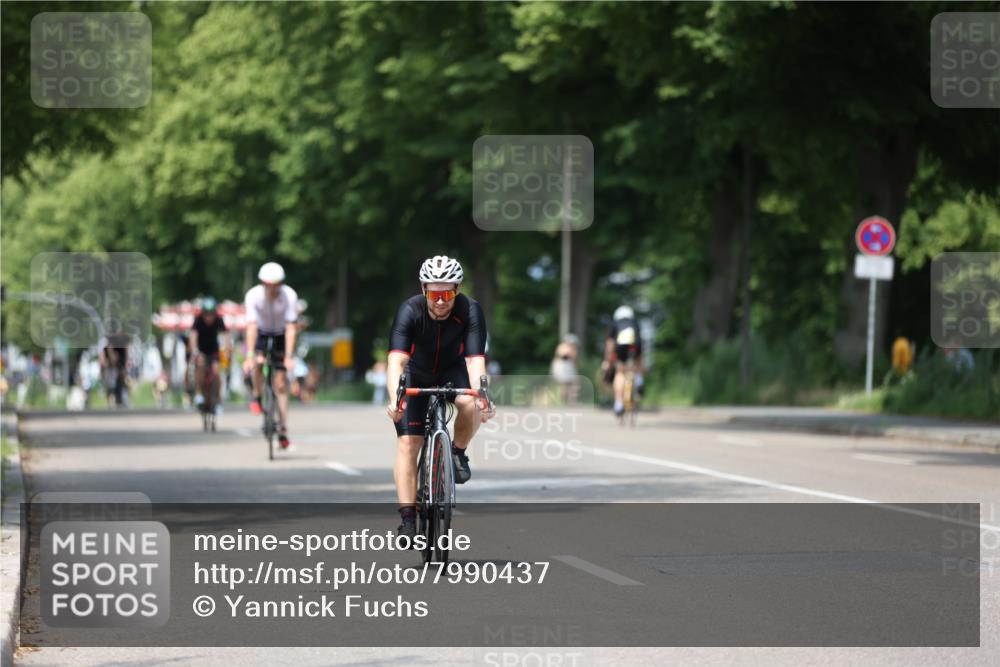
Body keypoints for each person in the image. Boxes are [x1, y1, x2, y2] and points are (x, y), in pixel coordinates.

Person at [385, 255, 496, 542]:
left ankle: (457, 453)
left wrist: (482, 395)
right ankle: (408, 520)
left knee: (470, 403)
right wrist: (394, 400)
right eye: (434, 293)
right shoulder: (409, 310)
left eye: (448, 293)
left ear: (457, 290)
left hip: (452, 369)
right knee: (409, 443)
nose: (441, 300)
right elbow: (396, 361)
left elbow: (474, 361)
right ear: (424, 290)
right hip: (415, 373)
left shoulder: (470, 310)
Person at [243, 262, 299, 449]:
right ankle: (257, 396)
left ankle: (283, 429)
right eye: (270, 285)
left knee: (281, 383)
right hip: (260, 332)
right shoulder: (253, 296)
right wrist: (250, 355)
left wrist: (289, 356)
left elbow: (291, 327)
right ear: (263, 283)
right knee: (258, 364)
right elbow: (251, 327)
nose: (274, 289)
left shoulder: (289, 295)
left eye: (277, 285)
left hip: (281, 334)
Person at [189, 296, 232, 413]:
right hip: (201, 349)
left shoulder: (219, 320)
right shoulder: (198, 320)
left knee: (217, 373)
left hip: (214, 350)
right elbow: (193, 336)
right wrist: (194, 352)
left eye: (211, 314)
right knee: (200, 364)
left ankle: (217, 401)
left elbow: (226, 335)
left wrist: (228, 350)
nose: (209, 317)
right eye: (206, 314)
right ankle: (199, 394)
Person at [601, 306, 643, 418]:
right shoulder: (635, 322)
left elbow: (610, 344)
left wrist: (608, 360)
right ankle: (639, 380)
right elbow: (640, 340)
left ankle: (619, 403)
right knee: (637, 363)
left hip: (621, 346)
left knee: (620, 372)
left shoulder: (615, 323)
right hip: (635, 345)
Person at [550, 333, 580, 404]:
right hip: (564, 367)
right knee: (568, 384)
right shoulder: (567, 348)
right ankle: (568, 400)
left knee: (567, 384)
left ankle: (567, 400)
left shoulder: (562, 347)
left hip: (563, 366)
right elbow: (571, 358)